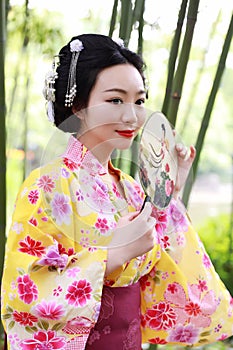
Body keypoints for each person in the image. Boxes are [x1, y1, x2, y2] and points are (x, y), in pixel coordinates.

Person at [1, 33, 232, 350]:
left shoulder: (130, 187)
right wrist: (113, 255)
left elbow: (165, 261)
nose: (132, 115)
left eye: (139, 101)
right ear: (78, 106)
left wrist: (168, 193)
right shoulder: (47, 184)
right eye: (115, 100)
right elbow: (26, 288)